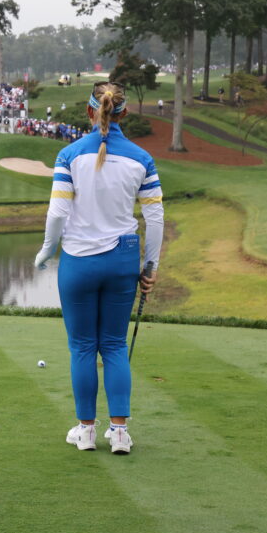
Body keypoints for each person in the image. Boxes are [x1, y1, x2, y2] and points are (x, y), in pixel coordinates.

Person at [34, 81, 163, 455]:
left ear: (90, 112)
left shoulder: (69, 155)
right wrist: (150, 266)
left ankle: (86, 431)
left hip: (78, 262)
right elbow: (154, 219)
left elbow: (58, 212)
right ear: (124, 113)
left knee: (83, 347)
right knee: (113, 345)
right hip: (123, 259)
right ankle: (120, 433)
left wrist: (46, 250)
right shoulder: (142, 158)